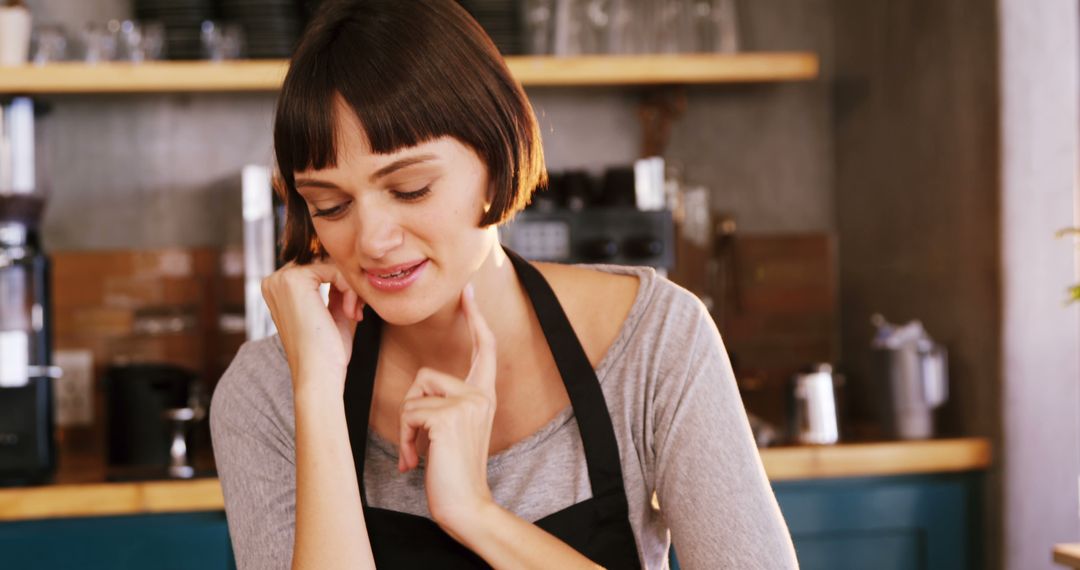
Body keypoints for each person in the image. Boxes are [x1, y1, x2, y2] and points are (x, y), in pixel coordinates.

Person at [209, 0, 798, 568]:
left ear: (494, 164)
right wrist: (314, 394)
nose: (372, 240)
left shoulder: (656, 341)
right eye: (331, 205)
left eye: (410, 188)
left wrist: (478, 516)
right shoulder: (266, 395)